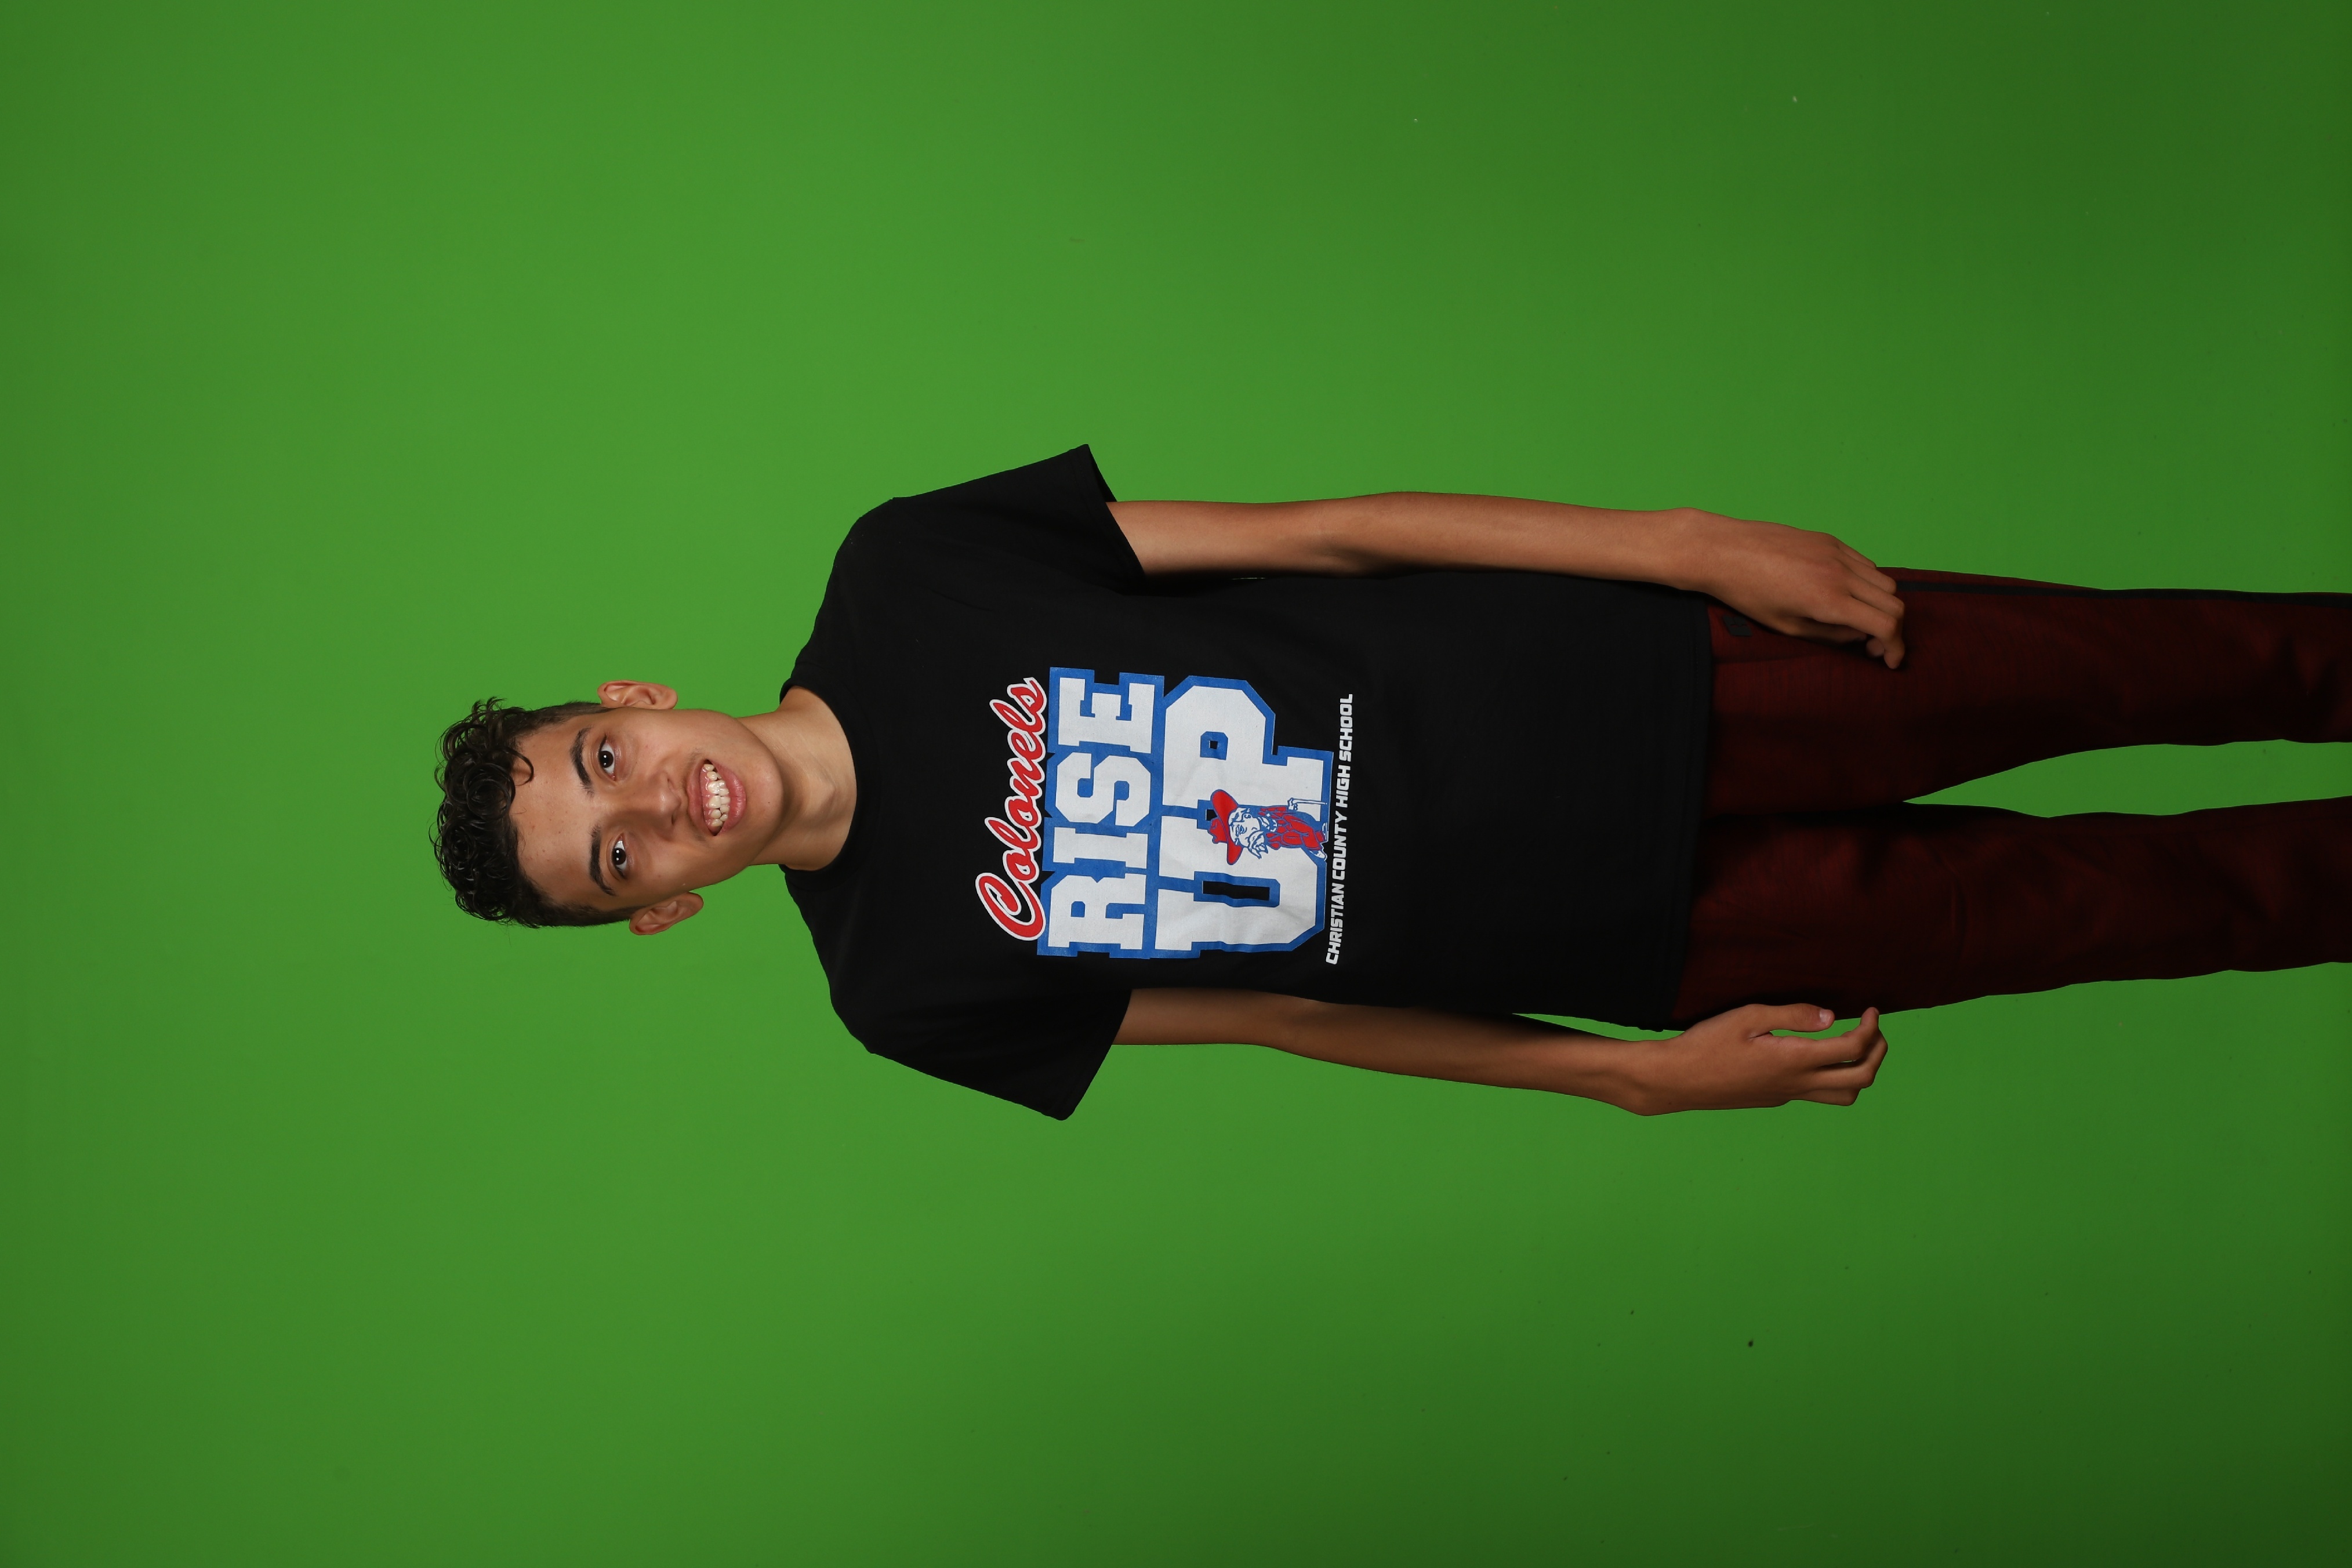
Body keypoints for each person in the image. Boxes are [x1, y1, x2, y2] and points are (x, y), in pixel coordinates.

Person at [431, 448, 2352, 1119]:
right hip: (1649, 933)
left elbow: (1325, 534)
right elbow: (1285, 1016)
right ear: (656, 915)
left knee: (2173, 662)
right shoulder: (900, 993)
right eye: (615, 861)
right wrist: (1621, 1076)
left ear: (634, 695)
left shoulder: (907, 569)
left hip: (1661, 680)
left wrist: (1684, 546)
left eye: (606, 762)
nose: (653, 807)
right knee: (2161, 912)